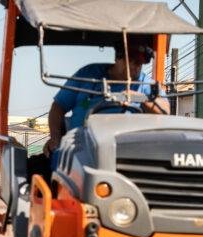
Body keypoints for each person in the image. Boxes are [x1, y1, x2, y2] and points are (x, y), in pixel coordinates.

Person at [43, 35, 170, 168]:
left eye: (139, 63)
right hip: (79, 148)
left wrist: (138, 97)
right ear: (117, 57)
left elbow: (165, 111)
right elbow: (58, 106)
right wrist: (55, 138)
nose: (135, 67)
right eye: (131, 60)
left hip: (125, 152)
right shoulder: (88, 74)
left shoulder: (146, 85)